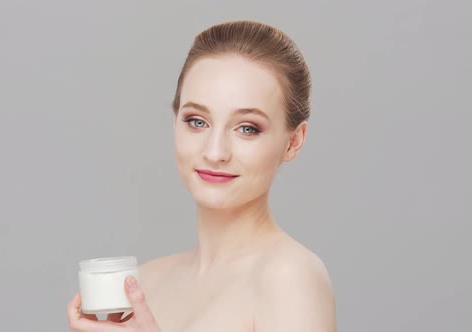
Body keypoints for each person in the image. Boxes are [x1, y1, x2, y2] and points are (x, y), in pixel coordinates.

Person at [67, 20, 336, 332]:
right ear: (175, 122)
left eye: (247, 128)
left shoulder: (289, 277)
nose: (215, 152)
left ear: (293, 141)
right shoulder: (145, 282)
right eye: (197, 121)